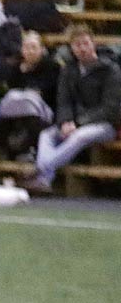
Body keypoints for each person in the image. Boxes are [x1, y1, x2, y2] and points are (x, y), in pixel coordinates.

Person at [26, 24, 121, 193]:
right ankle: (45, 179)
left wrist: (77, 123)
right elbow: (63, 102)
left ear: (93, 43)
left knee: (79, 137)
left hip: (106, 124)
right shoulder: (68, 71)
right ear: (72, 48)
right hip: (74, 122)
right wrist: (65, 122)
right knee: (46, 135)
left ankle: (39, 171)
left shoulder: (110, 70)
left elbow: (110, 109)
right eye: (77, 45)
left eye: (85, 43)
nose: (82, 48)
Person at [0, 30, 60, 160]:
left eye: (34, 47)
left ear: (42, 49)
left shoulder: (52, 67)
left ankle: (30, 151)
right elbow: (9, 91)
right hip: (17, 111)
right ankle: (4, 151)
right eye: (26, 47)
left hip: (44, 112)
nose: (30, 51)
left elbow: (47, 91)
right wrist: (22, 73)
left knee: (29, 106)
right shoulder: (16, 68)